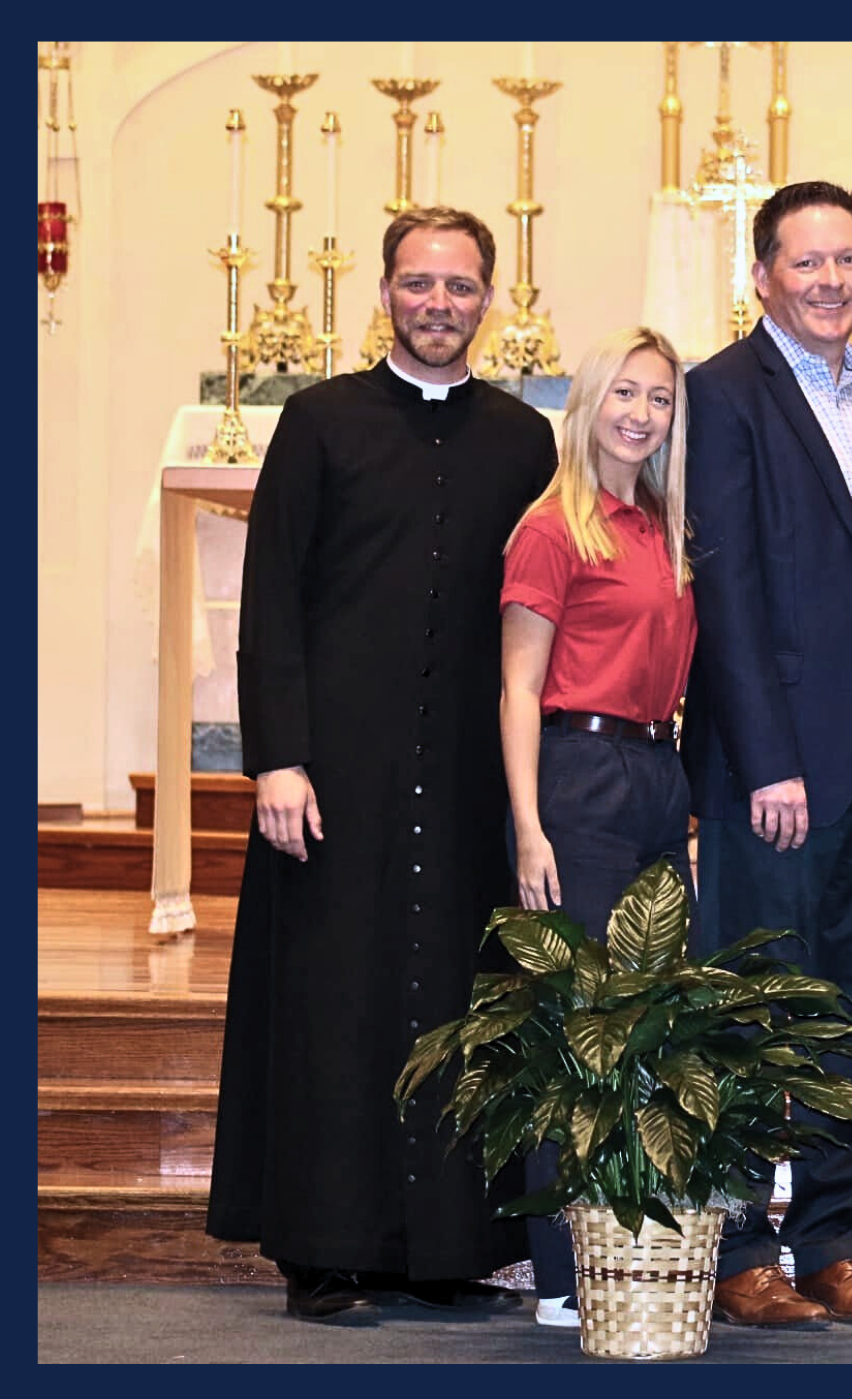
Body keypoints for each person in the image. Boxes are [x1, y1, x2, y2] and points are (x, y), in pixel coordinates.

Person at [205, 206, 558, 1323]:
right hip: (336, 771)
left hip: (461, 775)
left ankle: (446, 1249)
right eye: (419, 283)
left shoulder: (522, 438)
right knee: (331, 998)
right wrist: (280, 759)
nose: (439, 304)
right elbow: (272, 599)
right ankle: (324, 1248)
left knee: (460, 994)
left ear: (489, 299)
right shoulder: (318, 421)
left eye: (459, 286)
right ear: (386, 292)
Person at [680, 179, 852, 1330]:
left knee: (849, 1010)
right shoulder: (721, 394)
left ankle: (831, 1239)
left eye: (847, 259)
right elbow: (726, 587)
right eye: (806, 263)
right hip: (776, 769)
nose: (830, 280)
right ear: (761, 277)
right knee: (754, 1002)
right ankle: (740, 1247)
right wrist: (764, 756)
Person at [496, 325, 699, 1330]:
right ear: (587, 403)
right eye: (623, 392)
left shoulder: (662, 524)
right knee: (578, 1029)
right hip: (577, 776)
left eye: (658, 398)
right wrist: (529, 826)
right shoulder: (552, 525)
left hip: (658, 773)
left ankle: (629, 1244)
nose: (639, 413)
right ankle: (561, 1274)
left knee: (651, 1024)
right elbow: (519, 686)